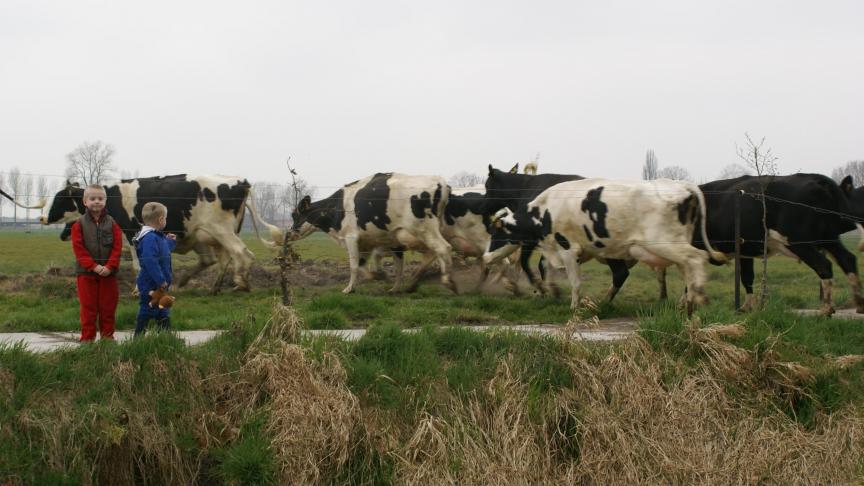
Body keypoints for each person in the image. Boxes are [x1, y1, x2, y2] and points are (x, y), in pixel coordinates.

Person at [71, 184, 123, 342]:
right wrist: (94, 266)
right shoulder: (78, 224)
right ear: (85, 201)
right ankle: (87, 340)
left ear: (105, 201)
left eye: (100, 198)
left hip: (108, 274)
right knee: (88, 309)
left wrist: (109, 266)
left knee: (108, 308)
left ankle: (107, 338)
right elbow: (79, 249)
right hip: (86, 275)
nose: (97, 201)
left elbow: (117, 246)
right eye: (92, 198)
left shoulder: (113, 223)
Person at [133, 202, 177, 336]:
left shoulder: (157, 236)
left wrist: (170, 242)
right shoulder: (149, 238)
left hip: (160, 284)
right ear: (161, 219)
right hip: (150, 283)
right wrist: (160, 279)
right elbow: (150, 260)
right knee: (147, 308)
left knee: (162, 308)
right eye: (166, 218)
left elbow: (163, 252)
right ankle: (138, 339)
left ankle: (166, 338)